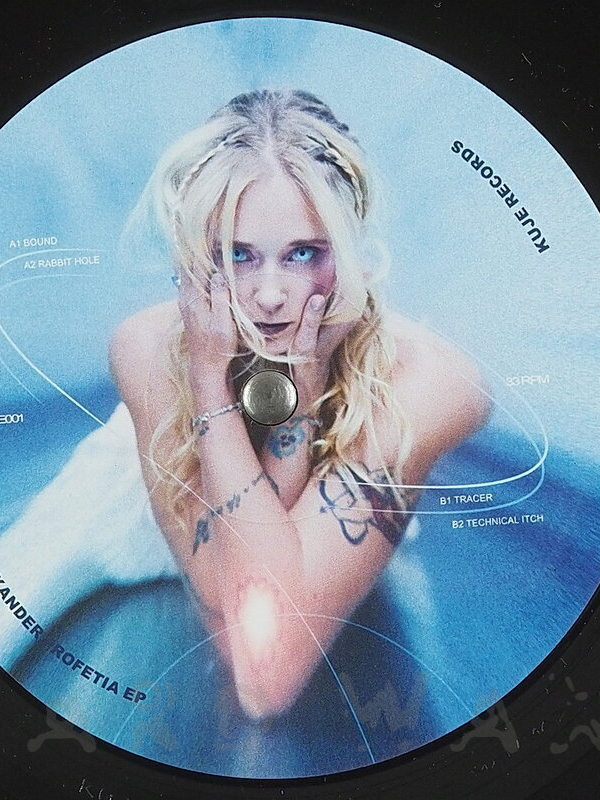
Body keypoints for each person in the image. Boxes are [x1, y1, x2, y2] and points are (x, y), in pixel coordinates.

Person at [108, 89, 491, 720]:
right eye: (237, 254)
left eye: (303, 252)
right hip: (138, 472)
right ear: (197, 257)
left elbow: (265, 678)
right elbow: (226, 594)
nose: (269, 296)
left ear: (348, 247)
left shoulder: (426, 384)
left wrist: (300, 406)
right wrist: (211, 381)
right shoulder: (149, 348)